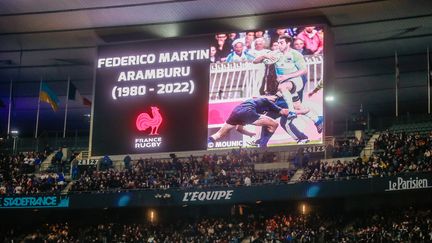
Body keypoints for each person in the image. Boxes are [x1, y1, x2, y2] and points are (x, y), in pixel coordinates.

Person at [254, 35, 323, 133]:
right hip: (284, 86)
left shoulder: (295, 54)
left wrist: (287, 76)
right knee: (298, 107)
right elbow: (255, 61)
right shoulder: (276, 54)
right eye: (278, 43)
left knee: (283, 87)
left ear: (288, 43)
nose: (279, 45)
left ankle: (291, 112)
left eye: (281, 43)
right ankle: (318, 120)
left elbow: (304, 70)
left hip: (296, 81)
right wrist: (264, 56)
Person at [208, 96, 294, 145]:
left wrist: (250, 134)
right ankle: (262, 144)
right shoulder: (268, 101)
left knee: (218, 134)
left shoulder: (251, 100)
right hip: (248, 111)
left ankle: (208, 142)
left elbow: (238, 128)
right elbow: (283, 111)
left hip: (235, 112)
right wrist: (293, 112)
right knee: (274, 124)